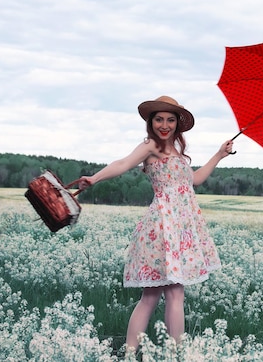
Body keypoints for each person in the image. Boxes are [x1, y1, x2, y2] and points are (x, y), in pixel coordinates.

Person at [78, 95, 234, 352]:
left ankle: (136, 353)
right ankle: (170, 354)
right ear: (151, 122)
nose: (164, 124)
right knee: (166, 294)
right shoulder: (150, 146)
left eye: (170, 120)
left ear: (178, 124)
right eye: (159, 119)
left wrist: (219, 154)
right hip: (163, 226)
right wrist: (95, 178)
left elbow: (194, 180)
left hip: (181, 227)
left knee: (157, 295)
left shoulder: (178, 154)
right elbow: (123, 163)